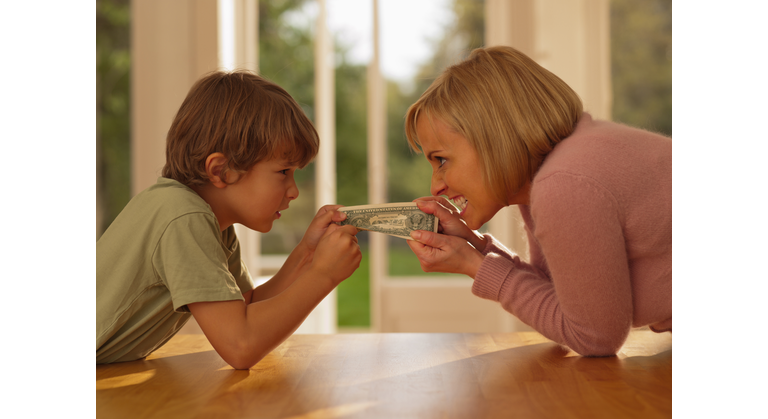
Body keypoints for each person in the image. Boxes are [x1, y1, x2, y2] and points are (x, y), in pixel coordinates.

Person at [404, 46, 671, 356]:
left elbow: (595, 337)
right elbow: (565, 296)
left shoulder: (565, 185)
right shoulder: (561, 170)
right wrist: (477, 248)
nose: (435, 185)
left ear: (495, 137)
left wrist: (474, 266)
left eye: (441, 160)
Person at [97, 70, 361, 369]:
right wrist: (323, 276)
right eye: (283, 172)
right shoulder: (184, 217)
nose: (294, 191)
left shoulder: (208, 222)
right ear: (221, 170)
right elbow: (241, 345)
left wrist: (307, 255)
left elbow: (247, 308)